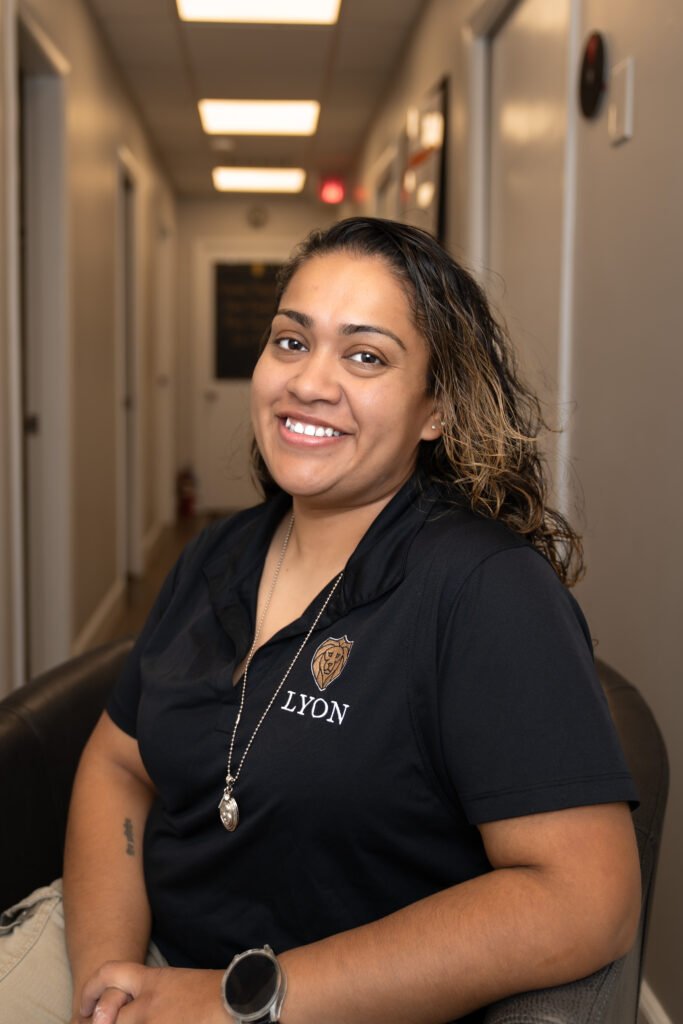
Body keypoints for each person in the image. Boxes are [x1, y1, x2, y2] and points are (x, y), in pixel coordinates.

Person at [0, 217, 640, 1024]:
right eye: (291, 342)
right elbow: (118, 765)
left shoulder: (483, 589)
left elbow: (587, 898)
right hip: (135, 955)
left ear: (434, 409)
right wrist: (108, 976)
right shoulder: (219, 553)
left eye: (365, 356)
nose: (308, 382)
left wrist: (233, 1003)